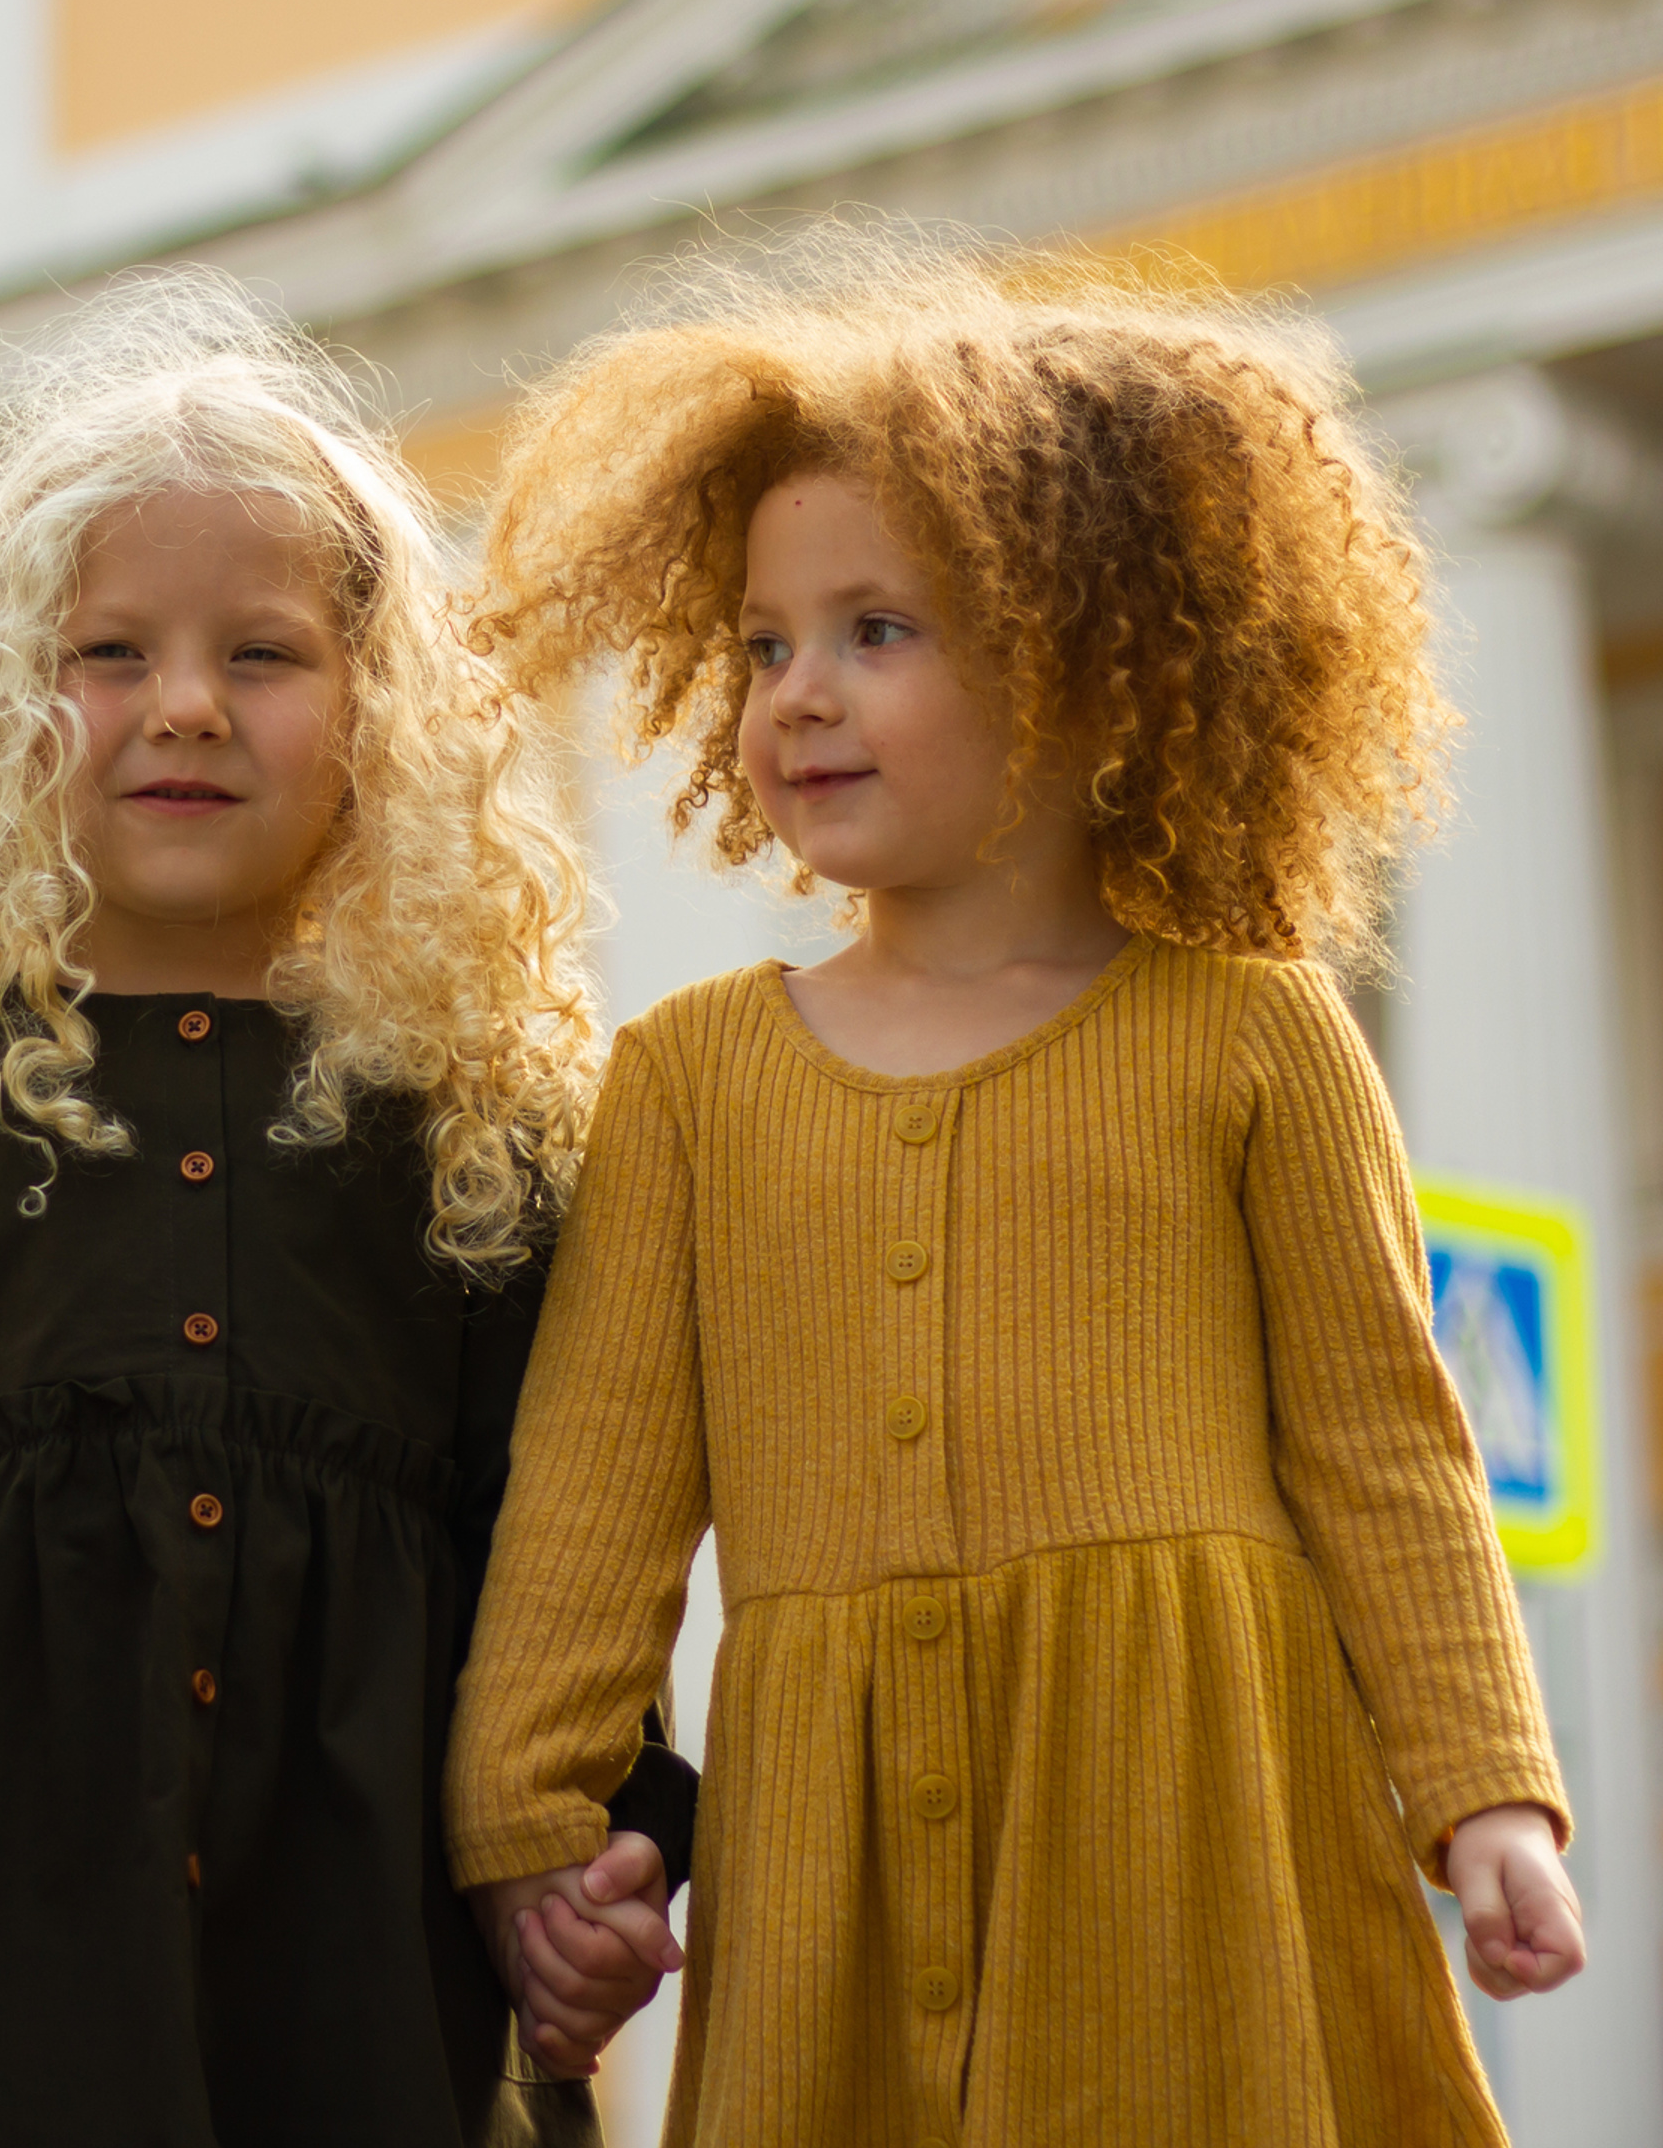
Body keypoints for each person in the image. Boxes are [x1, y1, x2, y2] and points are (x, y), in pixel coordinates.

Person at [442, 233, 1584, 2148]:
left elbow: (1392, 1450)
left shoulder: (1254, 1032)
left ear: (1093, 664)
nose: (797, 692)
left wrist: (1487, 1798)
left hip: (1198, 1833)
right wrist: (530, 1834)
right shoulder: (690, 1080)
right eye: (763, 643)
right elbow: (594, 1493)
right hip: (833, 1871)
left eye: (878, 630)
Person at [0, 275, 694, 2148]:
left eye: (267, 655)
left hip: (380, 1979)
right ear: (2, 711)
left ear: (383, 715)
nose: (189, 707)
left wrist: (598, 1863)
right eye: (112, 653)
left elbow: (568, 1563)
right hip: (3, 1990)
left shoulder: (477, 1136)